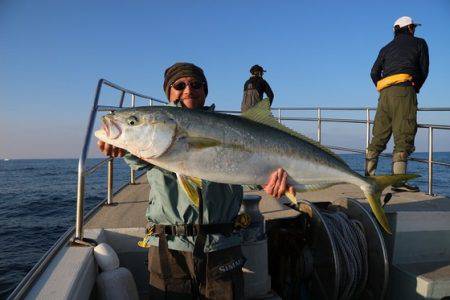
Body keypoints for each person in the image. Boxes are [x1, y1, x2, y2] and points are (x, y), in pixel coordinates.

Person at [97, 62, 295, 299]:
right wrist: (120, 145)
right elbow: (139, 158)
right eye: (179, 85)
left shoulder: (227, 127)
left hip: (222, 245)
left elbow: (248, 174)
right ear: (168, 93)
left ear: (205, 90)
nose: (188, 90)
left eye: (196, 84)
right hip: (169, 246)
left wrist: (271, 180)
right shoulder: (156, 136)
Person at [366, 16, 429, 192]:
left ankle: (368, 178)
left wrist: (381, 86)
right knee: (403, 136)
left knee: (378, 136)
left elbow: (373, 72)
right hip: (404, 90)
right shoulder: (419, 43)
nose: (414, 30)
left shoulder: (386, 48)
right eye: (413, 27)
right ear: (409, 28)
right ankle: (398, 182)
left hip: (384, 94)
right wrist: (415, 87)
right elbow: (424, 70)